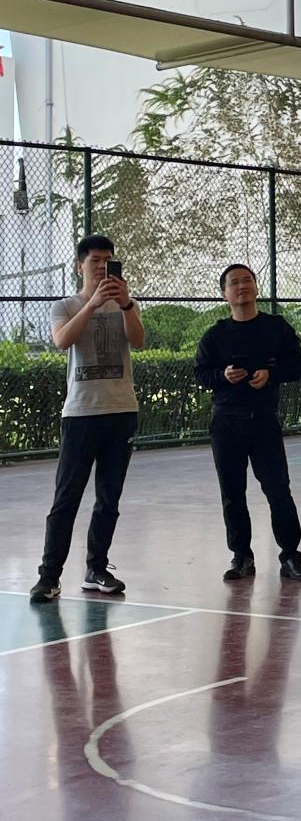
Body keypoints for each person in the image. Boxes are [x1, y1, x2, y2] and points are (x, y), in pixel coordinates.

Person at [30, 234, 145, 604]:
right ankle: (49, 576)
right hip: (81, 413)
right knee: (66, 498)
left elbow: (139, 340)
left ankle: (97, 569)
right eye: (95, 260)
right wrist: (93, 303)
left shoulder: (127, 304)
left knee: (108, 499)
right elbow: (62, 340)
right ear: (80, 265)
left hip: (121, 411)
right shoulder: (65, 305)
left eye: (108, 260)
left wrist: (125, 304)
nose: (101, 267)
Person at [194, 264, 301, 583]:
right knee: (232, 493)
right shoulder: (215, 335)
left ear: (257, 288)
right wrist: (223, 376)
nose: (242, 286)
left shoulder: (276, 328)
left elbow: (297, 365)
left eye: (247, 280)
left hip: (264, 422)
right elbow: (201, 373)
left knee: (278, 490)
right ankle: (241, 556)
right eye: (234, 283)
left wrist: (270, 374)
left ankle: (291, 555)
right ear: (224, 294)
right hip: (226, 424)